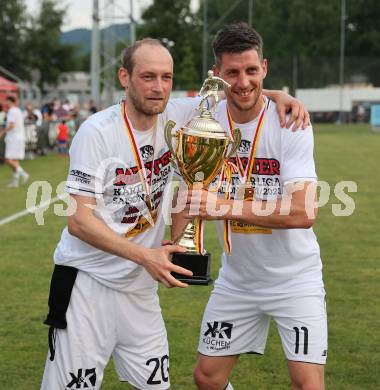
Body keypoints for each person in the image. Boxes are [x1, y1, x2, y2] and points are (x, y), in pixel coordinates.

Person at [40, 37, 309, 390]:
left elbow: (238, 89)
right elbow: (79, 221)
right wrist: (146, 256)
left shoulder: (179, 114)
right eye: (148, 77)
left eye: (166, 77)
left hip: (139, 290)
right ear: (124, 77)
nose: (158, 87)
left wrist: (280, 97)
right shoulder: (96, 132)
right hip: (87, 285)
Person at [174, 23, 327, 390]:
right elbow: (149, 100)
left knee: (308, 384)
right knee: (207, 378)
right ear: (216, 75)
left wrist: (223, 206)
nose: (243, 81)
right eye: (232, 73)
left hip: (295, 281)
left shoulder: (290, 122)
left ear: (265, 68)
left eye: (251, 71)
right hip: (237, 282)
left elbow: (304, 212)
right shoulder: (200, 117)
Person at [0, 96, 29, 187]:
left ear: (10, 101)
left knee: (8, 159)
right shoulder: (18, 110)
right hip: (19, 137)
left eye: (6, 101)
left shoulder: (12, 111)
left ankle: (24, 174)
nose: (5, 104)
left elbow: (12, 125)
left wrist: (2, 132)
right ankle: (15, 181)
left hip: (13, 138)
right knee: (14, 160)